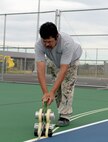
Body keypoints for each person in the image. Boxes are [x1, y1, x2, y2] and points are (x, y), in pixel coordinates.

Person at [35, 22, 82, 127]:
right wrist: (46, 92)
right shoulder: (39, 44)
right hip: (54, 60)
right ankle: (61, 110)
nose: (46, 44)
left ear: (57, 37)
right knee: (56, 90)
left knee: (66, 86)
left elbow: (64, 69)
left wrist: (51, 91)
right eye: (44, 41)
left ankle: (65, 115)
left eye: (49, 41)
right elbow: (40, 69)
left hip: (71, 61)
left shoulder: (67, 42)